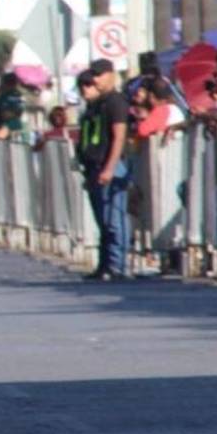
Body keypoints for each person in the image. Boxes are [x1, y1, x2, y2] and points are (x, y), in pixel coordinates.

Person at [77, 59, 131, 281]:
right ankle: (105, 264)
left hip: (112, 166)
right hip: (95, 166)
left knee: (114, 218)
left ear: (111, 75)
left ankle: (118, 266)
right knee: (103, 220)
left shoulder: (116, 102)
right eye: (94, 76)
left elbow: (119, 137)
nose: (96, 80)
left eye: (99, 75)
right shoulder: (96, 104)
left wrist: (109, 168)